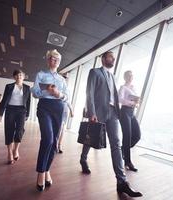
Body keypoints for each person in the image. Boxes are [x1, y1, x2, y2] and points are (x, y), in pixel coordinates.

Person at [80, 51, 142, 197]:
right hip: (99, 112)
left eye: (114, 58)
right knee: (91, 138)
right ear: (103, 59)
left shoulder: (113, 76)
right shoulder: (94, 72)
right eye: (110, 57)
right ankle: (83, 159)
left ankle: (122, 182)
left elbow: (115, 96)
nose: (113, 59)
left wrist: (120, 114)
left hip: (113, 113)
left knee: (116, 143)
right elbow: (89, 93)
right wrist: (92, 112)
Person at [31, 49, 68, 191]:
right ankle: (41, 172)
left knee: (54, 143)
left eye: (57, 59)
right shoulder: (40, 74)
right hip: (44, 107)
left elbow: (66, 97)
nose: (55, 61)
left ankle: (47, 169)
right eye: (52, 58)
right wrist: (47, 90)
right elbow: (34, 93)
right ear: (48, 60)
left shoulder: (62, 80)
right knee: (48, 139)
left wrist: (58, 93)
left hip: (58, 107)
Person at [0, 69, 31, 165]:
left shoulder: (27, 88)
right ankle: (9, 153)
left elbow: (28, 102)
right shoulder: (9, 86)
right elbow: (4, 100)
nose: (18, 77)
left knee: (20, 130)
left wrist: (28, 114)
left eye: (20, 75)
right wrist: (0, 113)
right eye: (16, 75)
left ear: (23, 77)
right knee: (9, 130)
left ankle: (16, 150)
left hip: (21, 111)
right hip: (10, 109)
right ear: (14, 77)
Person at [119, 70, 141, 172]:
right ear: (125, 77)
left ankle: (123, 149)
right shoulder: (123, 88)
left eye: (132, 76)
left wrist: (136, 104)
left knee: (137, 135)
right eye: (129, 76)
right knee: (127, 137)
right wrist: (130, 103)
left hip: (132, 113)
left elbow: (136, 101)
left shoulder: (133, 88)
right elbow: (120, 99)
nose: (131, 77)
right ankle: (127, 162)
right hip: (124, 113)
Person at [57, 74, 74, 154]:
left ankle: (59, 145)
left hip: (65, 110)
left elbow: (68, 101)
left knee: (62, 129)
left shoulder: (68, 90)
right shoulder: (57, 88)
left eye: (66, 79)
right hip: (58, 109)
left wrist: (71, 110)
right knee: (58, 128)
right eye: (64, 79)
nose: (65, 80)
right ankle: (55, 145)